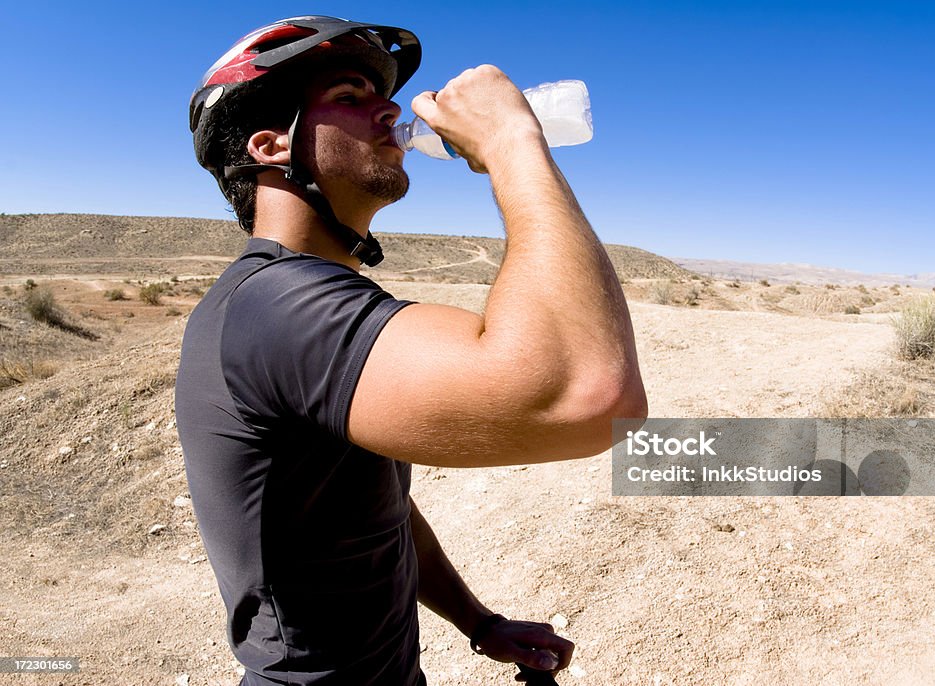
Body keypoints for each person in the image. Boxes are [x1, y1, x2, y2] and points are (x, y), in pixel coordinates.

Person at [176, 15, 647, 686]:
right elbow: (587, 395)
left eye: (380, 94)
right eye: (349, 95)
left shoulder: (298, 297)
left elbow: (376, 508)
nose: (390, 108)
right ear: (271, 145)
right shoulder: (275, 307)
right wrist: (513, 141)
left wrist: (477, 621)